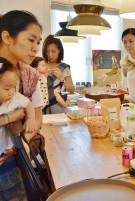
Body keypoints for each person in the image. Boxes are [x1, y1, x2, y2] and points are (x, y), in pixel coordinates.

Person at [0, 10, 44, 200]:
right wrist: (10, 117)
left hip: (10, 161)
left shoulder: (31, 75)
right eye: (31, 40)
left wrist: (21, 147)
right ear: (7, 37)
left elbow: (38, 116)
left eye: (38, 43)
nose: (35, 48)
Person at [42, 35, 74, 114]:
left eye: (53, 51)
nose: (50, 55)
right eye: (47, 51)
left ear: (59, 50)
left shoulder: (63, 68)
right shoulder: (41, 65)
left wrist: (62, 79)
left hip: (57, 108)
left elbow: (72, 90)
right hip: (41, 108)